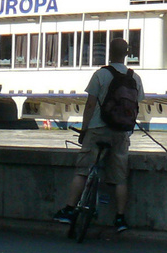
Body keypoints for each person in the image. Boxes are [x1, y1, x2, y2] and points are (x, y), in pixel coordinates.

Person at [52, 38, 144, 233]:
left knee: (83, 170)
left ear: (109, 53)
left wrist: (84, 130)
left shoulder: (101, 74)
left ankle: (69, 210)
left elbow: (91, 104)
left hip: (97, 128)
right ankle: (120, 218)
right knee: (120, 177)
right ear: (126, 54)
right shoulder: (135, 77)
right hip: (121, 132)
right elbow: (137, 104)